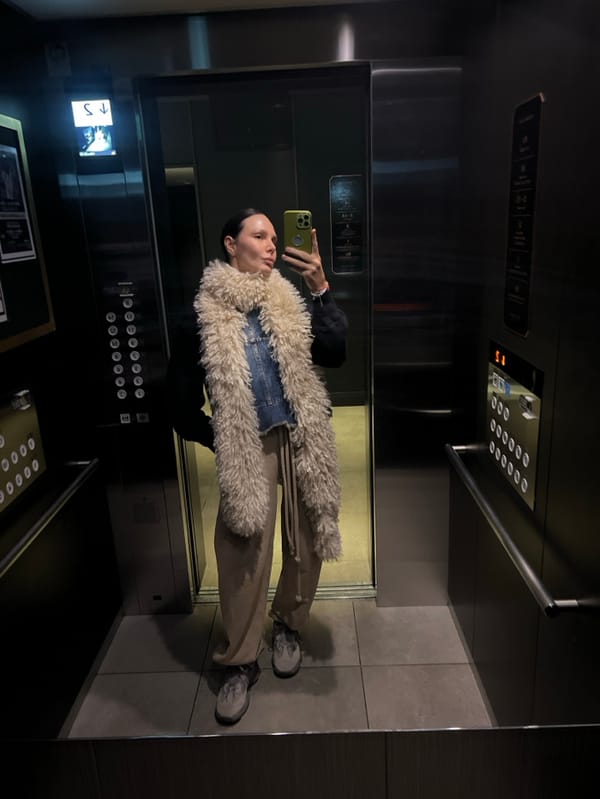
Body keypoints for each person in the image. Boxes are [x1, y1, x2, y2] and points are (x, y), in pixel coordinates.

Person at [167, 208, 347, 725]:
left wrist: (320, 287)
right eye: (259, 236)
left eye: (274, 238)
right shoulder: (202, 313)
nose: (271, 246)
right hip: (248, 446)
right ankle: (240, 661)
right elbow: (178, 405)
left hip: (302, 435)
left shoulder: (290, 301)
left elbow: (335, 352)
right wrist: (222, 440)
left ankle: (288, 623)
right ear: (231, 244)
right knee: (244, 547)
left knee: (311, 530)